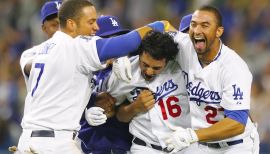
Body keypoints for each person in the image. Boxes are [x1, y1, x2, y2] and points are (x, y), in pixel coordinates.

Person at [16, 0, 172, 153]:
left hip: (30, 140)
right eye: (90, 22)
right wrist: (160, 25)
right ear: (71, 24)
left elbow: (63, 79)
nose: (96, 27)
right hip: (54, 144)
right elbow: (127, 43)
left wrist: (93, 98)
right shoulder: (76, 46)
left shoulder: (38, 51)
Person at [165, 5, 260, 154]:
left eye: (205, 25)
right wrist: (120, 59)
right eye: (193, 25)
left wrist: (193, 135)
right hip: (202, 144)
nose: (197, 30)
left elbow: (237, 123)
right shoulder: (184, 46)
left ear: (219, 31)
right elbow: (153, 35)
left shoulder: (233, 67)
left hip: (236, 145)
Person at [105, 30, 191, 154]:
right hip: (144, 147)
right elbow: (114, 113)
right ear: (139, 54)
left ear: (167, 61)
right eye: (145, 64)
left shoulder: (181, 69)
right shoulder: (125, 70)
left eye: (156, 68)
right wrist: (134, 108)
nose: (149, 71)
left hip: (183, 146)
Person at [77, 15, 133, 154]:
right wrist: (85, 111)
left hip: (120, 144)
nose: (115, 45)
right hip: (83, 145)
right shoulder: (82, 70)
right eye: (108, 39)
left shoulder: (128, 67)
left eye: (117, 38)